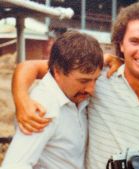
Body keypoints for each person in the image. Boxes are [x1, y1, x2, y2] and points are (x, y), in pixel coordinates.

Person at [10, 2, 139, 169]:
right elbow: (31, 66)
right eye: (134, 41)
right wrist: (22, 99)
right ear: (121, 45)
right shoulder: (98, 77)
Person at [1, 30, 103, 169]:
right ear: (57, 71)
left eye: (95, 79)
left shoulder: (73, 95)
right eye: (83, 81)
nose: (91, 89)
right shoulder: (44, 107)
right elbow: (14, 165)